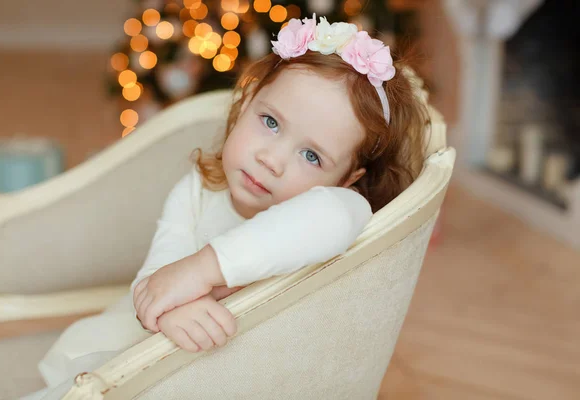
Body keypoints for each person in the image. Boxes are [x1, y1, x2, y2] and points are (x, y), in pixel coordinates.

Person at [23, 14, 429, 399]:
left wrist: (204, 269)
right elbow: (156, 276)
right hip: (148, 349)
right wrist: (164, 310)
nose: (271, 159)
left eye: (311, 156)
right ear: (247, 102)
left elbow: (334, 216)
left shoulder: (340, 208)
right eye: (270, 122)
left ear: (347, 179)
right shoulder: (198, 190)